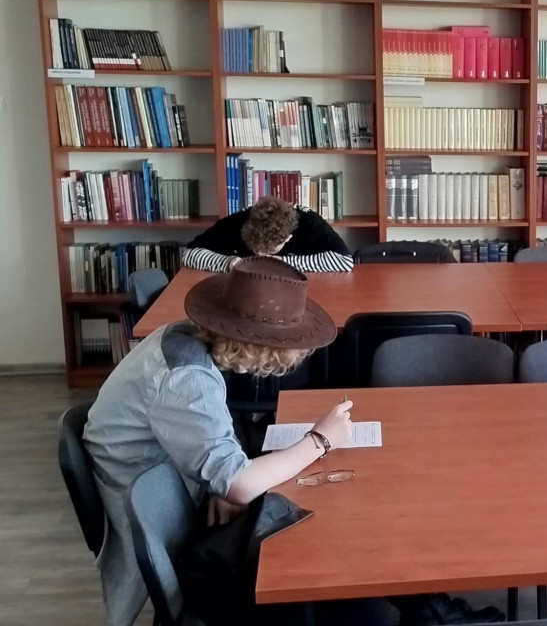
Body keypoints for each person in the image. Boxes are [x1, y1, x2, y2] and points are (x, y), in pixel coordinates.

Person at [84, 258, 500, 625]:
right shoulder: (186, 377)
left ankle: (422, 606)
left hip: (174, 493)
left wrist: (217, 482)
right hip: (173, 531)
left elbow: (206, 446)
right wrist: (319, 440)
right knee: (339, 518)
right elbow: (239, 484)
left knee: (334, 505)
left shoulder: (181, 337)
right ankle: (421, 608)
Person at [183, 197, 354, 273]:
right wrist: (226, 262)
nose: (262, 256)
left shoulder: (309, 223)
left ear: (288, 237)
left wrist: (284, 263)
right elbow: (189, 254)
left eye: (270, 251)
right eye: (255, 249)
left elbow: (344, 261)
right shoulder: (238, 221)